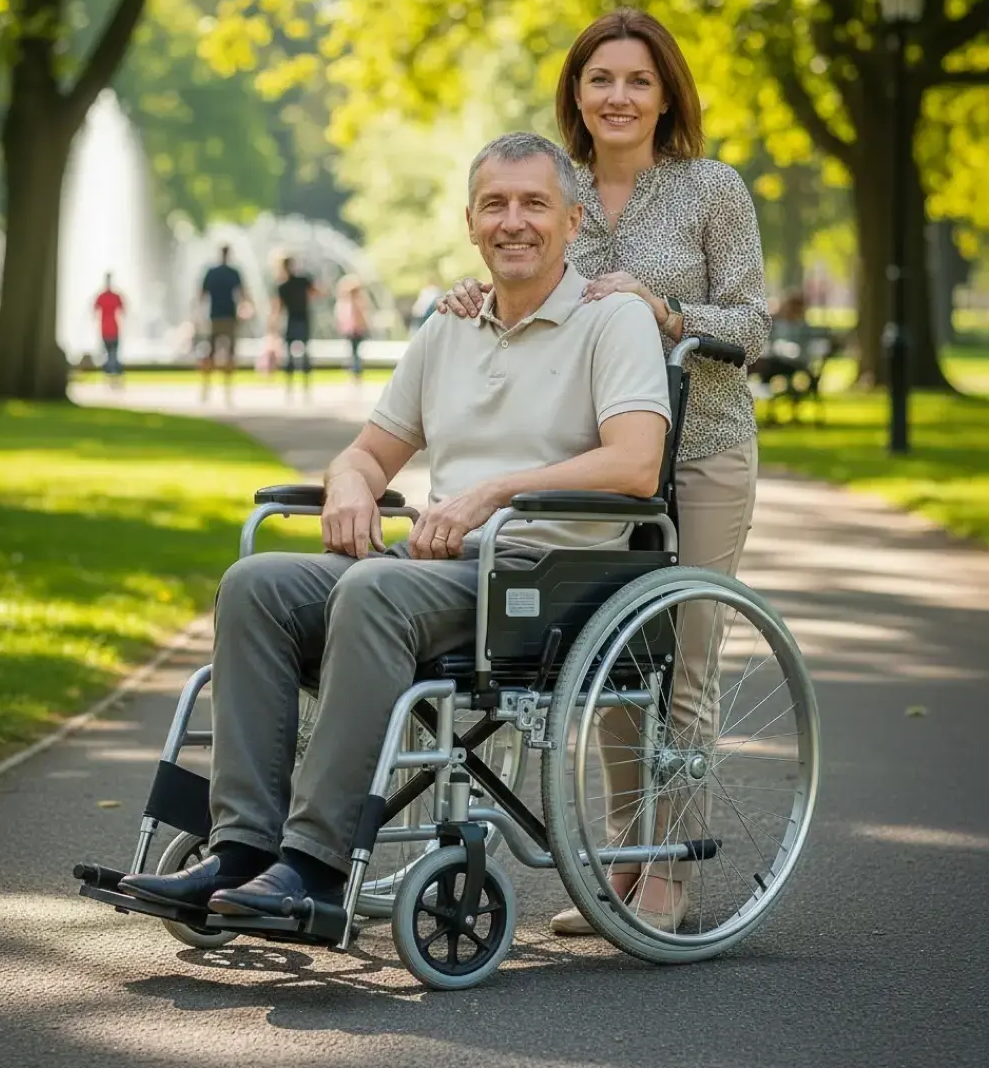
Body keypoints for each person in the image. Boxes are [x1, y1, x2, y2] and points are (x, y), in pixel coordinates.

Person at [116, 131, 671, 919]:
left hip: (538, 582)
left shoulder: (611, 319)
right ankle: (239, 851)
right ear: (471, 223)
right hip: (434, 567)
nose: (514, 221)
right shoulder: (448, 326)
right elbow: (369, 454)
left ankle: (313, 868)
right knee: (256, 584)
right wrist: (348, 485)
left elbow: (635, 464)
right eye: (495, 205)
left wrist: (494, 494)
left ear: (573, 222)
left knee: (374, 589)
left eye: (535, 204)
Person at [438, 9, 770, 935]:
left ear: (666, 94)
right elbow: (518, 268)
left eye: (637, 80)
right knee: (614, 665)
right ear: (576, 95)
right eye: (600, 80)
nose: (617, 96)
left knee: (685, 659)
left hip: (699, 451)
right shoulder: (552, 185)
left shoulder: (711, 189)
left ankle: (670, 874)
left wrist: (667, 311)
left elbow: (753, 325)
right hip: (593, 458)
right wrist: (466, 291)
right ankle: (625, 864)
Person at [200, 245, 247, 403]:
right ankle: (228, 390)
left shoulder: (211, 273)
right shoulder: (234, 273)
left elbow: (202, 295)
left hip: (215, 317)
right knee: (230, 354)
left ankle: (206, 388)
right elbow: (242, 294)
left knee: (211, 352)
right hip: (229, 316)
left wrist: (198, 316)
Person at [272, 256, 318, 392]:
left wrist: (273, 324)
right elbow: (316, 292)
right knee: (305, 351)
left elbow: (278, 308)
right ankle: (306, 384)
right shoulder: (302, 280)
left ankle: (289, 385)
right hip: (303, 318)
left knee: (289, 353)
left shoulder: (283, 285)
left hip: (290, 319)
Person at [334, 273, 370, 381]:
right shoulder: (352, 302)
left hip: (354, 330)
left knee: (354, 352)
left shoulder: (353, 302)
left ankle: (356, 373)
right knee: (354, 352)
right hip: (353, 330)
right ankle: (355, 373)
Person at [93, 274, 125, 389]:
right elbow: (123, 310)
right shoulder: (115, 296)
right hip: (112, 329)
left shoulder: (102, 296)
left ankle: (109, 380)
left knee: (109, 355)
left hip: (106, 329)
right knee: (113, 355)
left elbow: (94, 309)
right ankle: (114, 379)